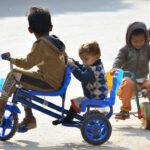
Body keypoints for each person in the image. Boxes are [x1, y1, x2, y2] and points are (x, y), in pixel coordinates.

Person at [0, 6, 68, 130]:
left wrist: (11, 59)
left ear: (30, 30)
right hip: (57, 81)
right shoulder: (56, 41)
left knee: (14, 74)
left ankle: (0, 108)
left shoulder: (40, 45)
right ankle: (29, 118)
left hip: (49, 82)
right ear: (51, 27)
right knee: (22, 83)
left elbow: (27, 63)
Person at [53, 41, 108, 125]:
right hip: (97, 94)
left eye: (86, 59)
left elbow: (82, 76)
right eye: (82, 59)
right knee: (77, 101)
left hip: (95, 97)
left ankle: (68, 119)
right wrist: (75, 63)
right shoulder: (96, 65)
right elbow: (83, 68)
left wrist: (73, 67)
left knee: (76, 102)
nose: (84, 62)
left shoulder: (94, 70)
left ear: (96, 57)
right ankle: (67, 118)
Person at [112, 21, 150, 120]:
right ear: (129, 39)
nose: (138, 43)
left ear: (146, 38)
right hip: (129, 77)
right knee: (127, 85)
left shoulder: (148, 48)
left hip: (143, 79)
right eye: (135, 41)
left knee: (149, 86)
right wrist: (116, 67)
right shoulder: (125, 50)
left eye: (141, 40)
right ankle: (125, 110)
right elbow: (119, 59)